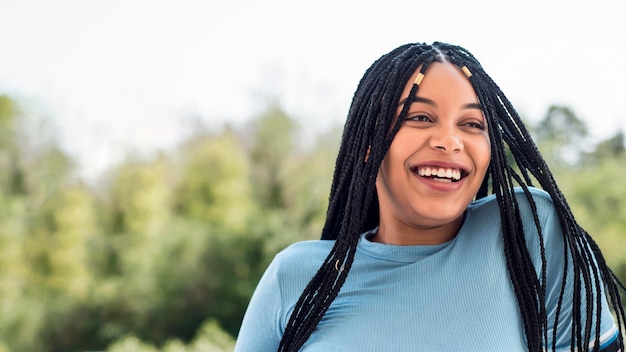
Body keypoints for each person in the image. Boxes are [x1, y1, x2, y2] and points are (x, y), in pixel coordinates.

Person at [234, 42, 625, 351]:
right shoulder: (296, 278)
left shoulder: (529, 230)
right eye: (420, 117)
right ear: (370, 144)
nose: (450, 141)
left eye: (472, 124)